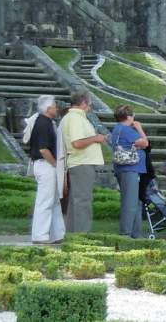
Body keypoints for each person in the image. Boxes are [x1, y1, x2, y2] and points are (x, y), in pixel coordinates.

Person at [62, 91, 107, 233]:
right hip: (81, 163)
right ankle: (82, 236)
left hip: (81, 162)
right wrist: (95, 138)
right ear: (82, 103)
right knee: (83, 202)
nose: (89, 107)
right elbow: (76, 143)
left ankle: (73, 234)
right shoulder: (75, 118)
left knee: (77, 202)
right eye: (89, 104)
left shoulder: (76, 117)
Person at [25, 95, 64, 244]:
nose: (56, 107)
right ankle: (40, 235)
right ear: (49, 108)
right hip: (45, 164)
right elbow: (43, 149)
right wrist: (55, 164)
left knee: (54, 201)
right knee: (45, 201)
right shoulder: (43, 124)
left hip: (46, 164)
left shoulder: (46, 122)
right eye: (55, 105)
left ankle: (58, 234)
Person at [110, 104, 149, 238]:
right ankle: (126, 234)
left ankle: (135, 234)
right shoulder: (126, 129)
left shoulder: (118, 128)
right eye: (132, 116)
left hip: (129, 169)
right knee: (130, 203)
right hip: (129, 169)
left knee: (135, 202)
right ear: (128, 117)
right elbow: (144, 143)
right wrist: (139, 128)